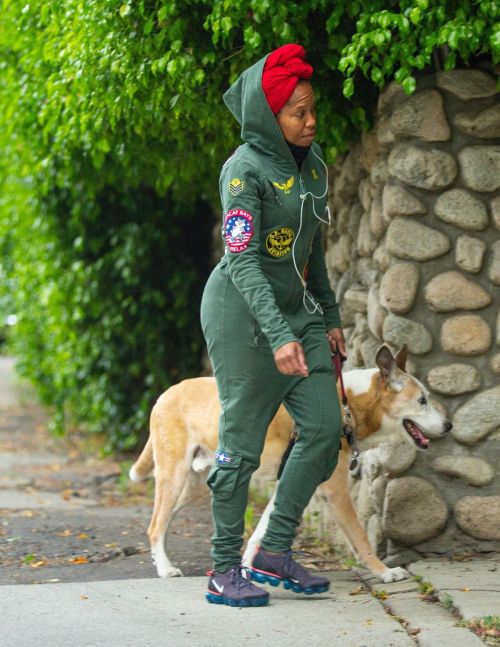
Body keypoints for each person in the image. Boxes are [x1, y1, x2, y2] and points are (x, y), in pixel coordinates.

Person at [200, 44, 346, 608]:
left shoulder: (314, 167)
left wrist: (327, 318)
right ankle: (221, 568)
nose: (310, 122)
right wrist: (278, 334)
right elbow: (242, 262)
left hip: (297, 309)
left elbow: (314, 250)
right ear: (269, 115)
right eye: (297, 112)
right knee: (241, 441)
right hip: (242, 316)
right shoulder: (244, 171)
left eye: (312, 110)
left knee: (325, 427)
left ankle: (274, 551)